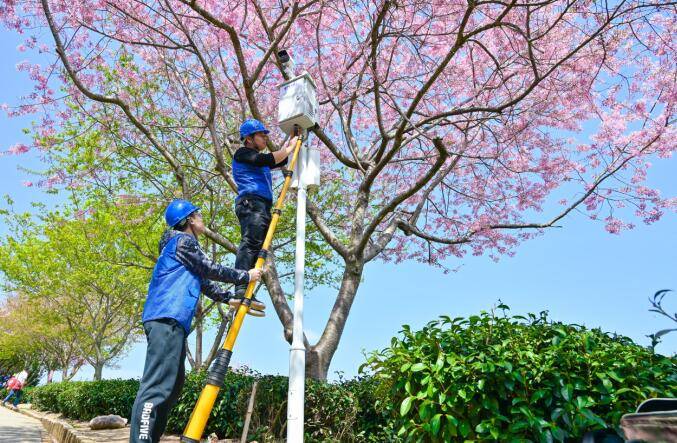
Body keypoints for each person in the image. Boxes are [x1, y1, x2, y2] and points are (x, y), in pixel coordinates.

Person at [129, 199, 262, 443]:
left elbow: (202, 279)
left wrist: (227, 298)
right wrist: (246, 275)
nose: (202, 220)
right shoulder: (182, 241)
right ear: (189, 219)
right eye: (199, 215)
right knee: (157, 386)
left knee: (173, 385)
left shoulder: (181, 248)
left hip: (172, 321)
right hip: (165, 318)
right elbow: (208, 267)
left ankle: (150, 438)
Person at [230, 118, 298, 316]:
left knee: (257, 247)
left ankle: (247, 291)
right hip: (251, 203)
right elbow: (267, 159)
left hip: (260, 205)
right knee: (250, 243)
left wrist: (291, 144)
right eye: (261, 135)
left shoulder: (256, 159)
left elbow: (278, 160)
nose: (265, 139)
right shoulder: (243, 154)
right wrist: (289, 148)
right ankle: (241, 289)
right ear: (249, 139)